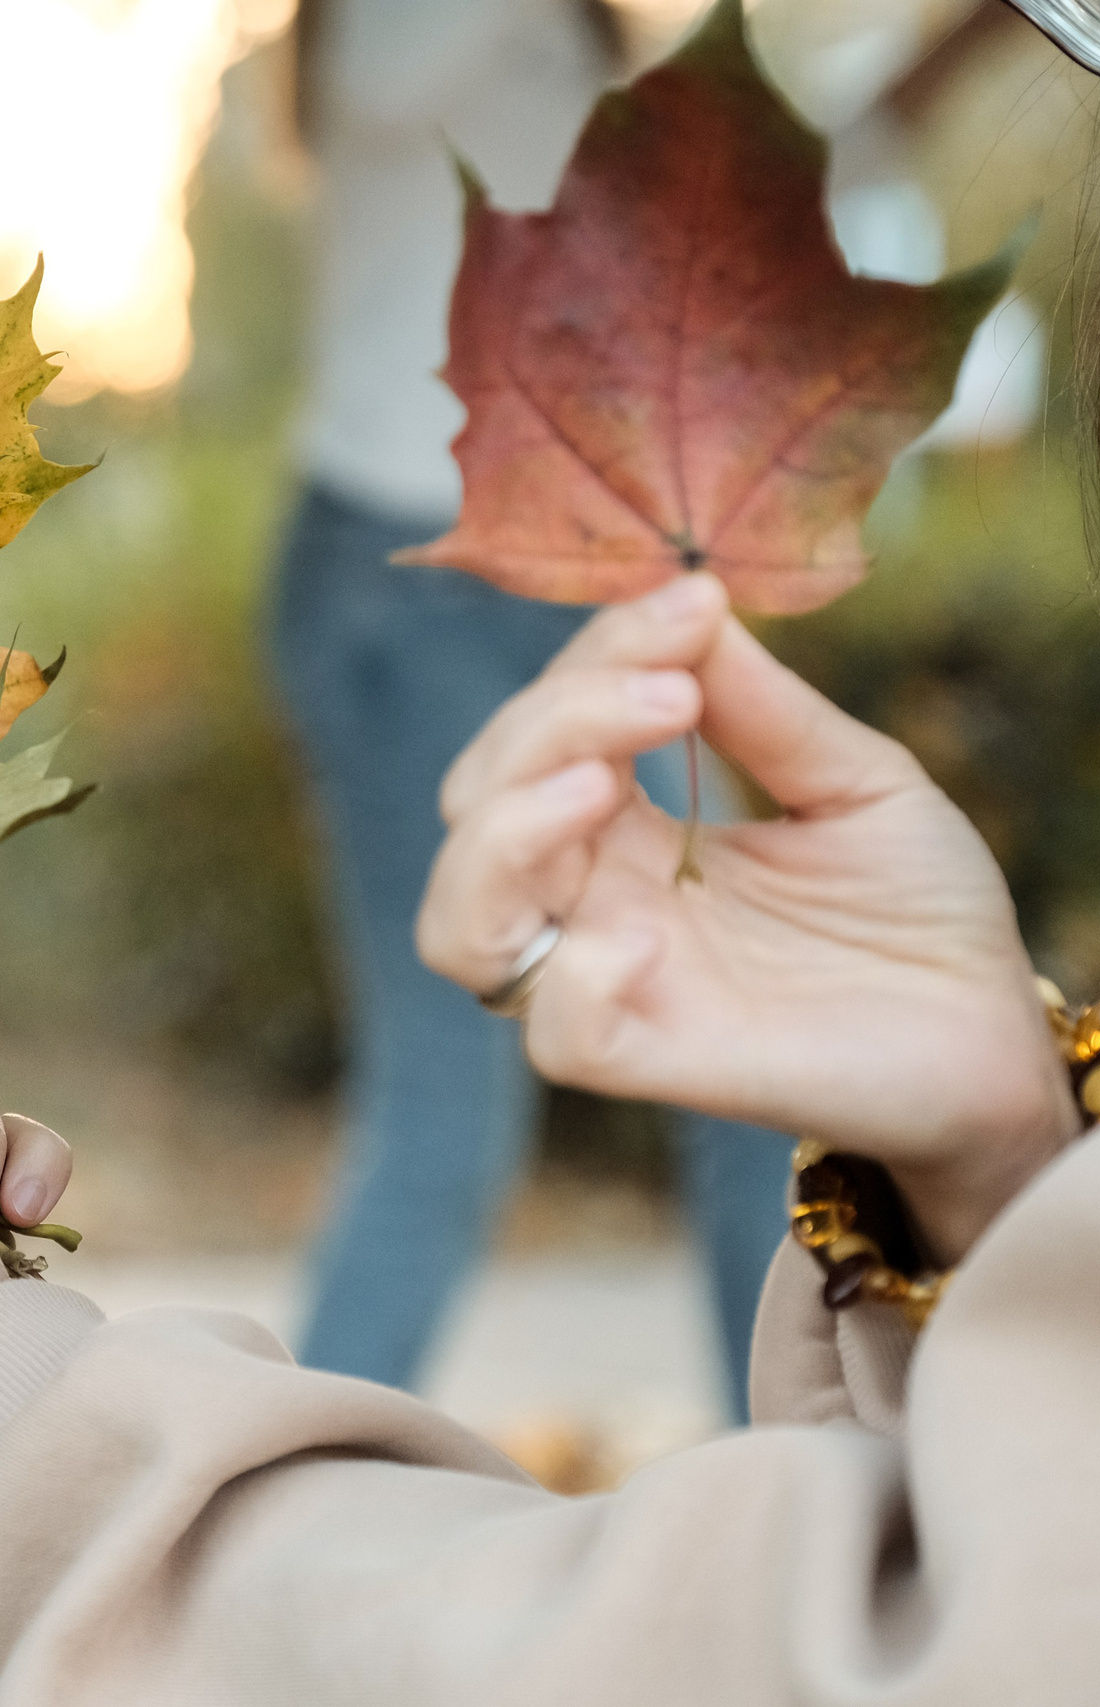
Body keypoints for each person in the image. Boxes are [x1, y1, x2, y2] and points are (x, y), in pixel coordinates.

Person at [0, 0, 1100, 1699]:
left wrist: (993, 1175)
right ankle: (250, 1513)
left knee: (781, 1113)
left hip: (605, 566)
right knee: (479, 1108)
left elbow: (819, 132)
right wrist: (997, 1172)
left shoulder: (617, 61)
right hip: (419, 576)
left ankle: (828, 1520)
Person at [270, 0, 790, 1408]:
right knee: (449, 1108)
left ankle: (802, 1509)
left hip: (577, 573)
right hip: (404, 583)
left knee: (759, 1052)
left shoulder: (576, 46)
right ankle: (264, 1535)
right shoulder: (387, 28)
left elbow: (793, 157)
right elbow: (389, 86)